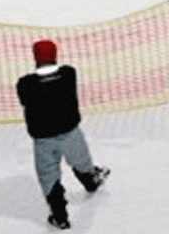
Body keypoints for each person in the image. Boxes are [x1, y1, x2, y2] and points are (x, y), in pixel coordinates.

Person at [16, 39, 110, 230]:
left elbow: (25, 101)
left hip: (43, 140)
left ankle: (60, 216)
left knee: (48, 176)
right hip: (70, 133)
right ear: (54, 55)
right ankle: (91, 180)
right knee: (81, 160)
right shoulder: (69, 74)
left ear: (35, 58)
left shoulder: (25, 84)